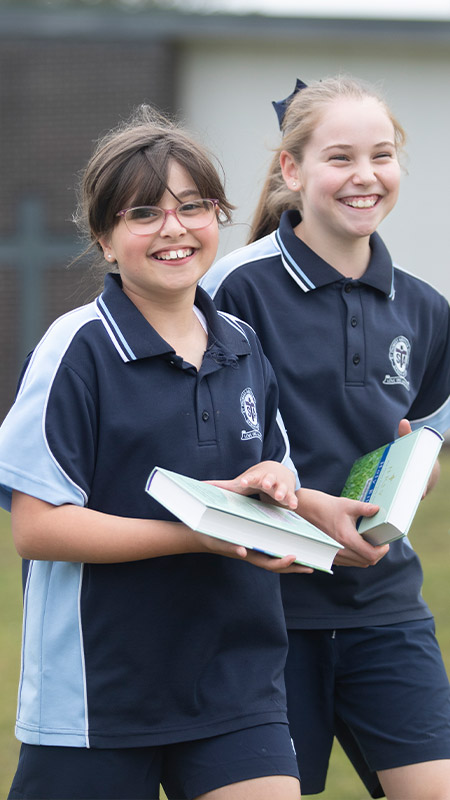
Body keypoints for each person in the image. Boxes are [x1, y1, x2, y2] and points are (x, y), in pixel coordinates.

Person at [0, 105, 381, 800]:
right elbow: (37, 526)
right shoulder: (75, 349)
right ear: (106, 240)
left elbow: (270, 475)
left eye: (193, 207)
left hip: (237, 684)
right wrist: (197, 535)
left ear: (217, 216)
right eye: (143, 214)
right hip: (98, 700)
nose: (174, 229)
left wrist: (299, 501)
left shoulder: (241, 340)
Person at [201, 75, 450, 800]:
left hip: (384, 606)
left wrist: (414, 468)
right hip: (261, 611)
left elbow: (426, 436)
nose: (365, 176)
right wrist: (303, 507)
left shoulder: (427, 309)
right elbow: (200, 441)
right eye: (340, 157)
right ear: (292, 170)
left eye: (382, 155)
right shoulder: (232, 290)